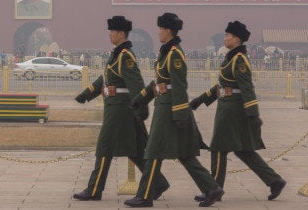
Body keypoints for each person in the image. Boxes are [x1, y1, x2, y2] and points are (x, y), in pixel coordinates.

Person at [124, 13, 223, 208]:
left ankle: (145, 196)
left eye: (160, 29)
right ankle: (212, 188)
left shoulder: (175, 53)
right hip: (164, 105)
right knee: (184, 154)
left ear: (168, 30)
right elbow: (158, 83)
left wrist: (179, 115)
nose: (158, 32)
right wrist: (140, 100)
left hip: (170, 109)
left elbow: (179, 86)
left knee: (153, 151)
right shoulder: (166, 53)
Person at [72, 16, 170, 202]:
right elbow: (107, 79)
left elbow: (136, 84)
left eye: (112, 32)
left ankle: (94, 190)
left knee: (104, 147)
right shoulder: (117, 54)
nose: (110, 35)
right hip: (118, 109)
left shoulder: (126, 56)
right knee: (135, 150)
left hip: (121, 110)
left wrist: (141, 110)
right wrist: (86, 94)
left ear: (121, 34)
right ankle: (158, 182)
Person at [189, 21, 286, 203]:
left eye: (228, 35)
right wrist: (200, 100)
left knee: (218, 148)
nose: (225, 38)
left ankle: (214, 189)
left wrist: (253, 115)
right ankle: (275, 181)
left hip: (233, 111)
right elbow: (223, 87)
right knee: (243, 151)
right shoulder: (231, 58)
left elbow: (247, 88)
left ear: (237, 39)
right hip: (229, 107)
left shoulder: (239, 60)